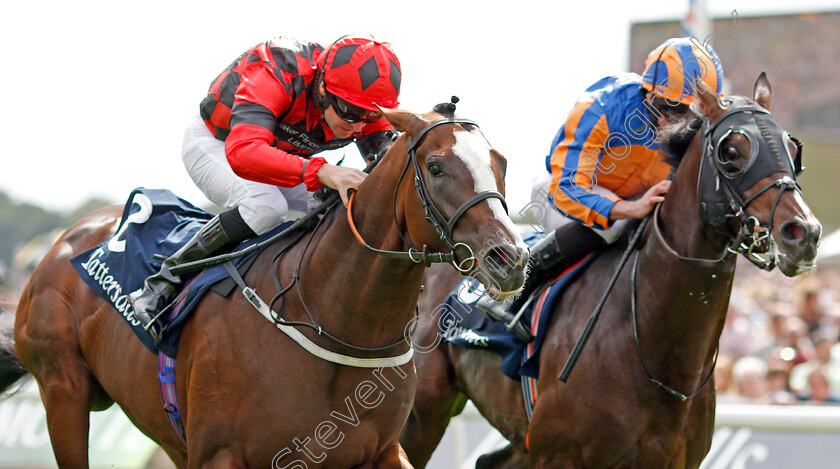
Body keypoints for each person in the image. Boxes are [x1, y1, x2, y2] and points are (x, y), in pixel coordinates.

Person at [130, 34, 403, 340]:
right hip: (216, 144)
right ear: (324, 87)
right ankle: (164, 280)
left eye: (371, 115)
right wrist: (322, 170)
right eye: (351, 112)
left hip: (279, 157)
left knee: (342, 207)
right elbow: (243, 152)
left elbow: (389, 165)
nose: (359, 125)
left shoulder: (360, 109)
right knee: (267, 205)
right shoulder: (276, 71)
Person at [477, 37, 724, 327]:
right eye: (667, 106)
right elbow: (568, 187)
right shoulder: (602, 105)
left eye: (686, 113)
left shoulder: (698, 128)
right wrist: (627, 209)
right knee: (618, 225)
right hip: (559, 191)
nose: (672, 121)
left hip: (634, 201)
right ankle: (512, 293)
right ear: (648, 91)